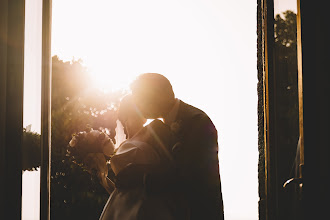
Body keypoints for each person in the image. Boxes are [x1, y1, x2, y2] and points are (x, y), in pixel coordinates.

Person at [130, 73, 224, 220]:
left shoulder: (197, 122)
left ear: (158, 95)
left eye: (140, 98)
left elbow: (190, 176)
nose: (137, 105)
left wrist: (140, 178)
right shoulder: (158, 128)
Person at [99, 95, 188, 220]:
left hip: (149, 205)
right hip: (118, 208)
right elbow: (121, 190)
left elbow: (171, 166)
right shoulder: (121, 146)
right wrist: (102, 178)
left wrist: (140, 172)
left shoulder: (156, 129)